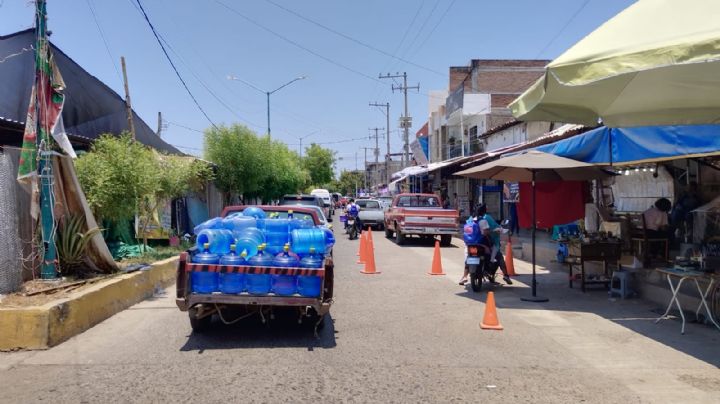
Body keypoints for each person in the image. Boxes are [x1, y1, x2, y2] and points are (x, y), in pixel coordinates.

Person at [475, 204, 513, 285]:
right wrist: (496, 230)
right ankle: (506, 275)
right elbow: (494, 228)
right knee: (499, 257)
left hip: (473, 243)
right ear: (485, 210)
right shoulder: (486, 218)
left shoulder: (473, 219)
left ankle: (466, 276)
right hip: (487, 243)